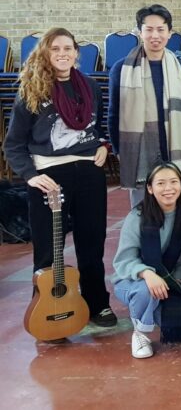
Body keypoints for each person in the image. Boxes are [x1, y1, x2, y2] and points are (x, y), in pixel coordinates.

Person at [3, 27, 117, 329]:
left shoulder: (90, 86)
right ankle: (46, 305)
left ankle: (97, 303)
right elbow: (13, 144)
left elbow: (94, 129)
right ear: (46, 52)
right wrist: (30, 175)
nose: (63, 54)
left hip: (89, 173)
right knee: (46, 245)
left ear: (77, 53)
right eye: (56, 49)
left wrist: (103, 147)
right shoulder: (32, 89)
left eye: (68, 48)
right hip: (49, 176)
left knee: (92, 242)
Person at [109, 4, 181, 205]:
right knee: (143, 209)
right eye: (149, 29)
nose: (155, 35)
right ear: (139, 32)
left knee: (178, 205)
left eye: (160, 29)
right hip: (140, 149)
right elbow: (114, 114)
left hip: (175, 143)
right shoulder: (121, 69)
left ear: (169, 33)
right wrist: (118, 149)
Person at [112, 163, 181, 358]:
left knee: (179, 327)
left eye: (174, 182)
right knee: (145, 291)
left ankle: (156, 312)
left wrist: (180, 281)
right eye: (161, 183)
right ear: (150, 188)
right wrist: (147, 273)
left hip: (170, 280)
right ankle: (140, 333)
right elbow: (124, 260)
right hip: (133, 280)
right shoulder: (137, 216)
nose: (168, 188)